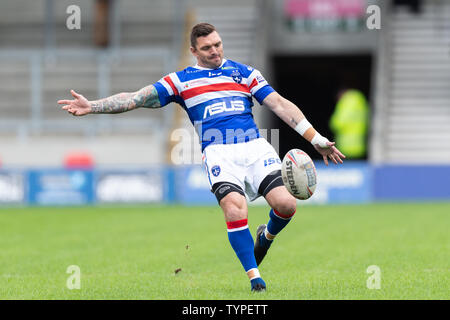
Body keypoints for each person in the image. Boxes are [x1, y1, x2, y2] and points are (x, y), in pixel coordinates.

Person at [58, 23, 345, 292]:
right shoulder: (181, 81)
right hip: (220, 153)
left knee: (286, 205)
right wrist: (92, 106)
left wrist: (316, 139)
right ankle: (255, 277)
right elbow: (136, 98)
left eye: (218, 44)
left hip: (256, 147)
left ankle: (265, 237)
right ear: (194, 51)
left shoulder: (244, 73)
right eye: (207, 48)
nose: (215, 51)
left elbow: (280, 105)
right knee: (235, 210)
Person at [329, 88, 369, 159]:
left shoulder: (345, 102)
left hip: (346, 146)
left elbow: (337, 123)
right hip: (360, 145)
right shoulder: (361, 100)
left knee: (346, 168)